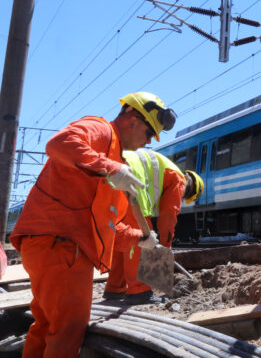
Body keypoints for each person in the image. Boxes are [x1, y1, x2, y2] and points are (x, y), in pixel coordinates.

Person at [10, 92, 176, 357]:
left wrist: (139, 238)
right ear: (133, 119)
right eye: (148, 133)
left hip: (53, 246)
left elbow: (105, 227)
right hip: (61, 244)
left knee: (47, 326)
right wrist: (110, 168)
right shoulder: (100, 130)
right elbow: (59, 143)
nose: (147, 142)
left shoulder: (115, 161)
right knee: (67, 330)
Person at [104, 149, 204, 304]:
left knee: (125, 235)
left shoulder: (168, 170)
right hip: (131, 178)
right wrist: (165, 247)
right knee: (143, 236)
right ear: (191, 190)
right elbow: (168, 218)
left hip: (117, 170)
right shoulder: (179, 181)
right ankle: (139, 291)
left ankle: (116, 288)